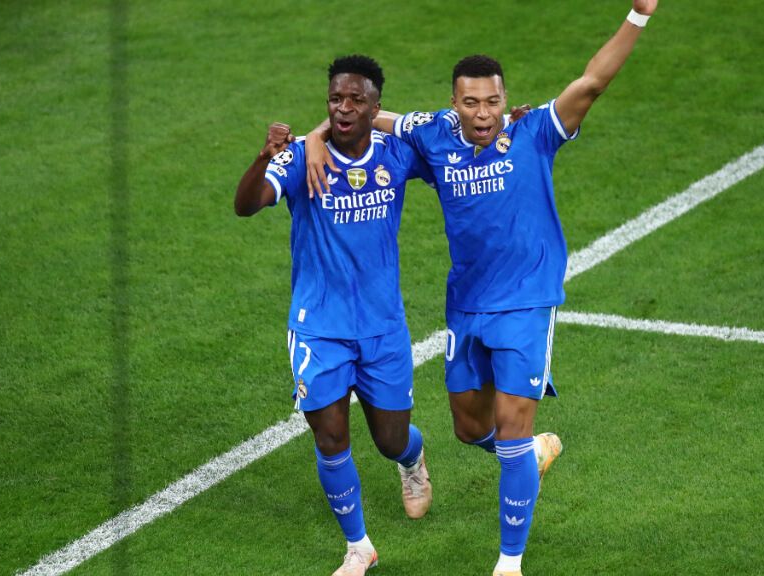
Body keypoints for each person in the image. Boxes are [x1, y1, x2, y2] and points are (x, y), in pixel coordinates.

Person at [304, 3, 659, 574]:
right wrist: (316, 137)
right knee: (470, 429)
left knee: (513, 430)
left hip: (526, 303)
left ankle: (508, 562)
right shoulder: (434, 135)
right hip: (466, 305)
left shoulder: (534, 130)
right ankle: (534, 454)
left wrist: (638, 16)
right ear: (455, 104)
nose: (484, 112)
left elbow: (592, 81)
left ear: (504, 99)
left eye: (492, 100)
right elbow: (363, 117)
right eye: (471, 102)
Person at [235, 54, 434, 576]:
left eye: (355, 100)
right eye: (335, 100)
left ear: (374, 107)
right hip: (319, 326)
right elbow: (247, 204)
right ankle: (358, 546)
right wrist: (264, 157)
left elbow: (450, 148)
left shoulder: (396, 152)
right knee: (330, 436)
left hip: (382, 326)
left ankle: (412, 461)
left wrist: (507, 129)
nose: (343, 108)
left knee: (390, 439)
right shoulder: (302, 157)